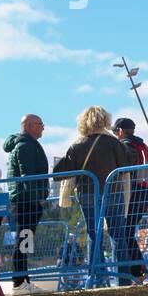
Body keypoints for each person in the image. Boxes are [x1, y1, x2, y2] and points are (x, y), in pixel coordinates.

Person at [54, 106, 133, 285]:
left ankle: (97, 277)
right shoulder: (114, 143)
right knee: (117, 234)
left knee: (93, 234)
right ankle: (124, 279)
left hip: (87, 193)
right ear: (105, 120)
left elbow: (59, 172)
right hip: (113, 191)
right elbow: (127, 165)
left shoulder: (77, 145)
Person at [4, 114, 49, 295]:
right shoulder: (26, 146)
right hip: (26, 201)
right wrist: (37, 197)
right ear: (29, 126)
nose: (43, 128)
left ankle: (24, 281)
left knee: (25, 240)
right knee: (23, 239)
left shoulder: (25, 144)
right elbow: (27, 175)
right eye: (40, 124)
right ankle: (19, 282)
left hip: (25, 200)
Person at [113, 118, 148, 283]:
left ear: (120, 131)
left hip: (132, 195)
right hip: (144, 194)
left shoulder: (126, 146)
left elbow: (126, 173)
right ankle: (139, 270)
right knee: (128, 232)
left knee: (125, 233)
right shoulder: (143, 147)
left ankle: (138, 271)